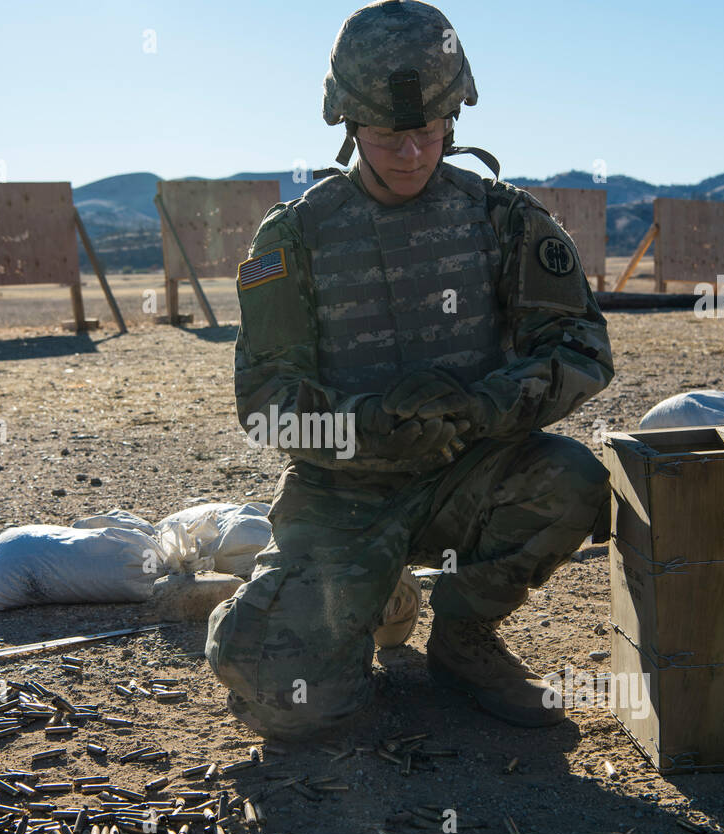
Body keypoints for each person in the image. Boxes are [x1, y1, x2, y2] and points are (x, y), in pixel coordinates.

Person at [206, 0, 614, 739]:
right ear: (347, 124)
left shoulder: (504, 219)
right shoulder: (293, 237)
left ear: (454, 120)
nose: (412, 152)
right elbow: (266, 401)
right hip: (344, 495)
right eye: (391, 134)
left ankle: (463, 640)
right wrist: (370, 425)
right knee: (289, 700)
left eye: (429, 130)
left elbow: (580, 347)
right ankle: (375, 592)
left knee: (573, 480)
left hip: (470, 475)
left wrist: (487, 407)